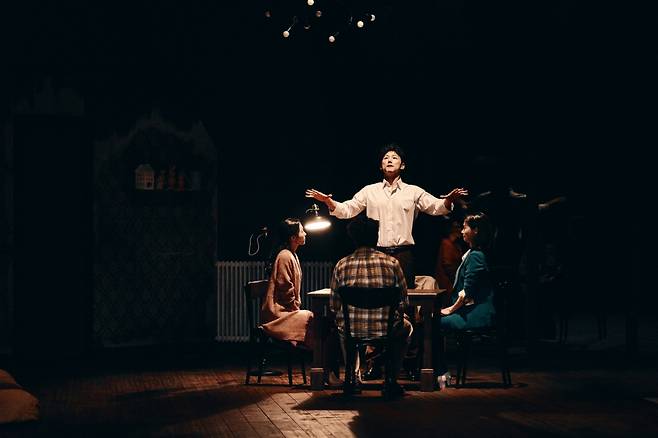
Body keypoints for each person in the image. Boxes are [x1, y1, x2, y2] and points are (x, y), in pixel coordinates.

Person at [306, 143, 468, 288]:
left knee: (404, 300)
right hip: (375, 253)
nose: (389, 160)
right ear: (380, 166)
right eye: (385, 158)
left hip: (403, 254)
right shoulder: (369, 191)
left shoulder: (413, 191)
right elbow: (348, 209)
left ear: (402, 165)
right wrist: (328, 201)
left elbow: (436, 207)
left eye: (394, 157)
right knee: (376, 296)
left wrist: (449, 200)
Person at [330, 214, 412, 397]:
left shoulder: (341, 265)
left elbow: (334, 306)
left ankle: (352, 377)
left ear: (353, 238)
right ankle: (391, 379)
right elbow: (404, 302)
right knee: (407, 328)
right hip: (386, 329)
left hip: (352, 330)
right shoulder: (392, 263)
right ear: (376, 236)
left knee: (342, 327)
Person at [260, 218, 313, 348]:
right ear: (293, 238)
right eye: (302, 231)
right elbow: (285, 287)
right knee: (311, 318)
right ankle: (319, 363)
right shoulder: (285, 256)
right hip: (278, 315)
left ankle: (321, 362)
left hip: (288, 310)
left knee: (317, 322)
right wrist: (295, 307)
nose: (305, 233)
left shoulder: (293, 255)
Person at [435, 218, 465, 307]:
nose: (460, 230)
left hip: (453, 282)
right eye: (457, 227)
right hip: (447, 283)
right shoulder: (446, 243)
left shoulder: (456, 245)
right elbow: (448, 266)